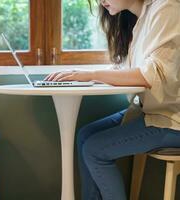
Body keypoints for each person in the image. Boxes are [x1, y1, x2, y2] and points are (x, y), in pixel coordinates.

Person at [44, 0, 180, 199]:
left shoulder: (167, 7)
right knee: (85, 135)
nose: (100, 1)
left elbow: (150, 76)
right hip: (150, 111)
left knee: (94, 149)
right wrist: (82, 74)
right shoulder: (140, 17)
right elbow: (127, 70)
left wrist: (91, 75)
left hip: (172, 120)